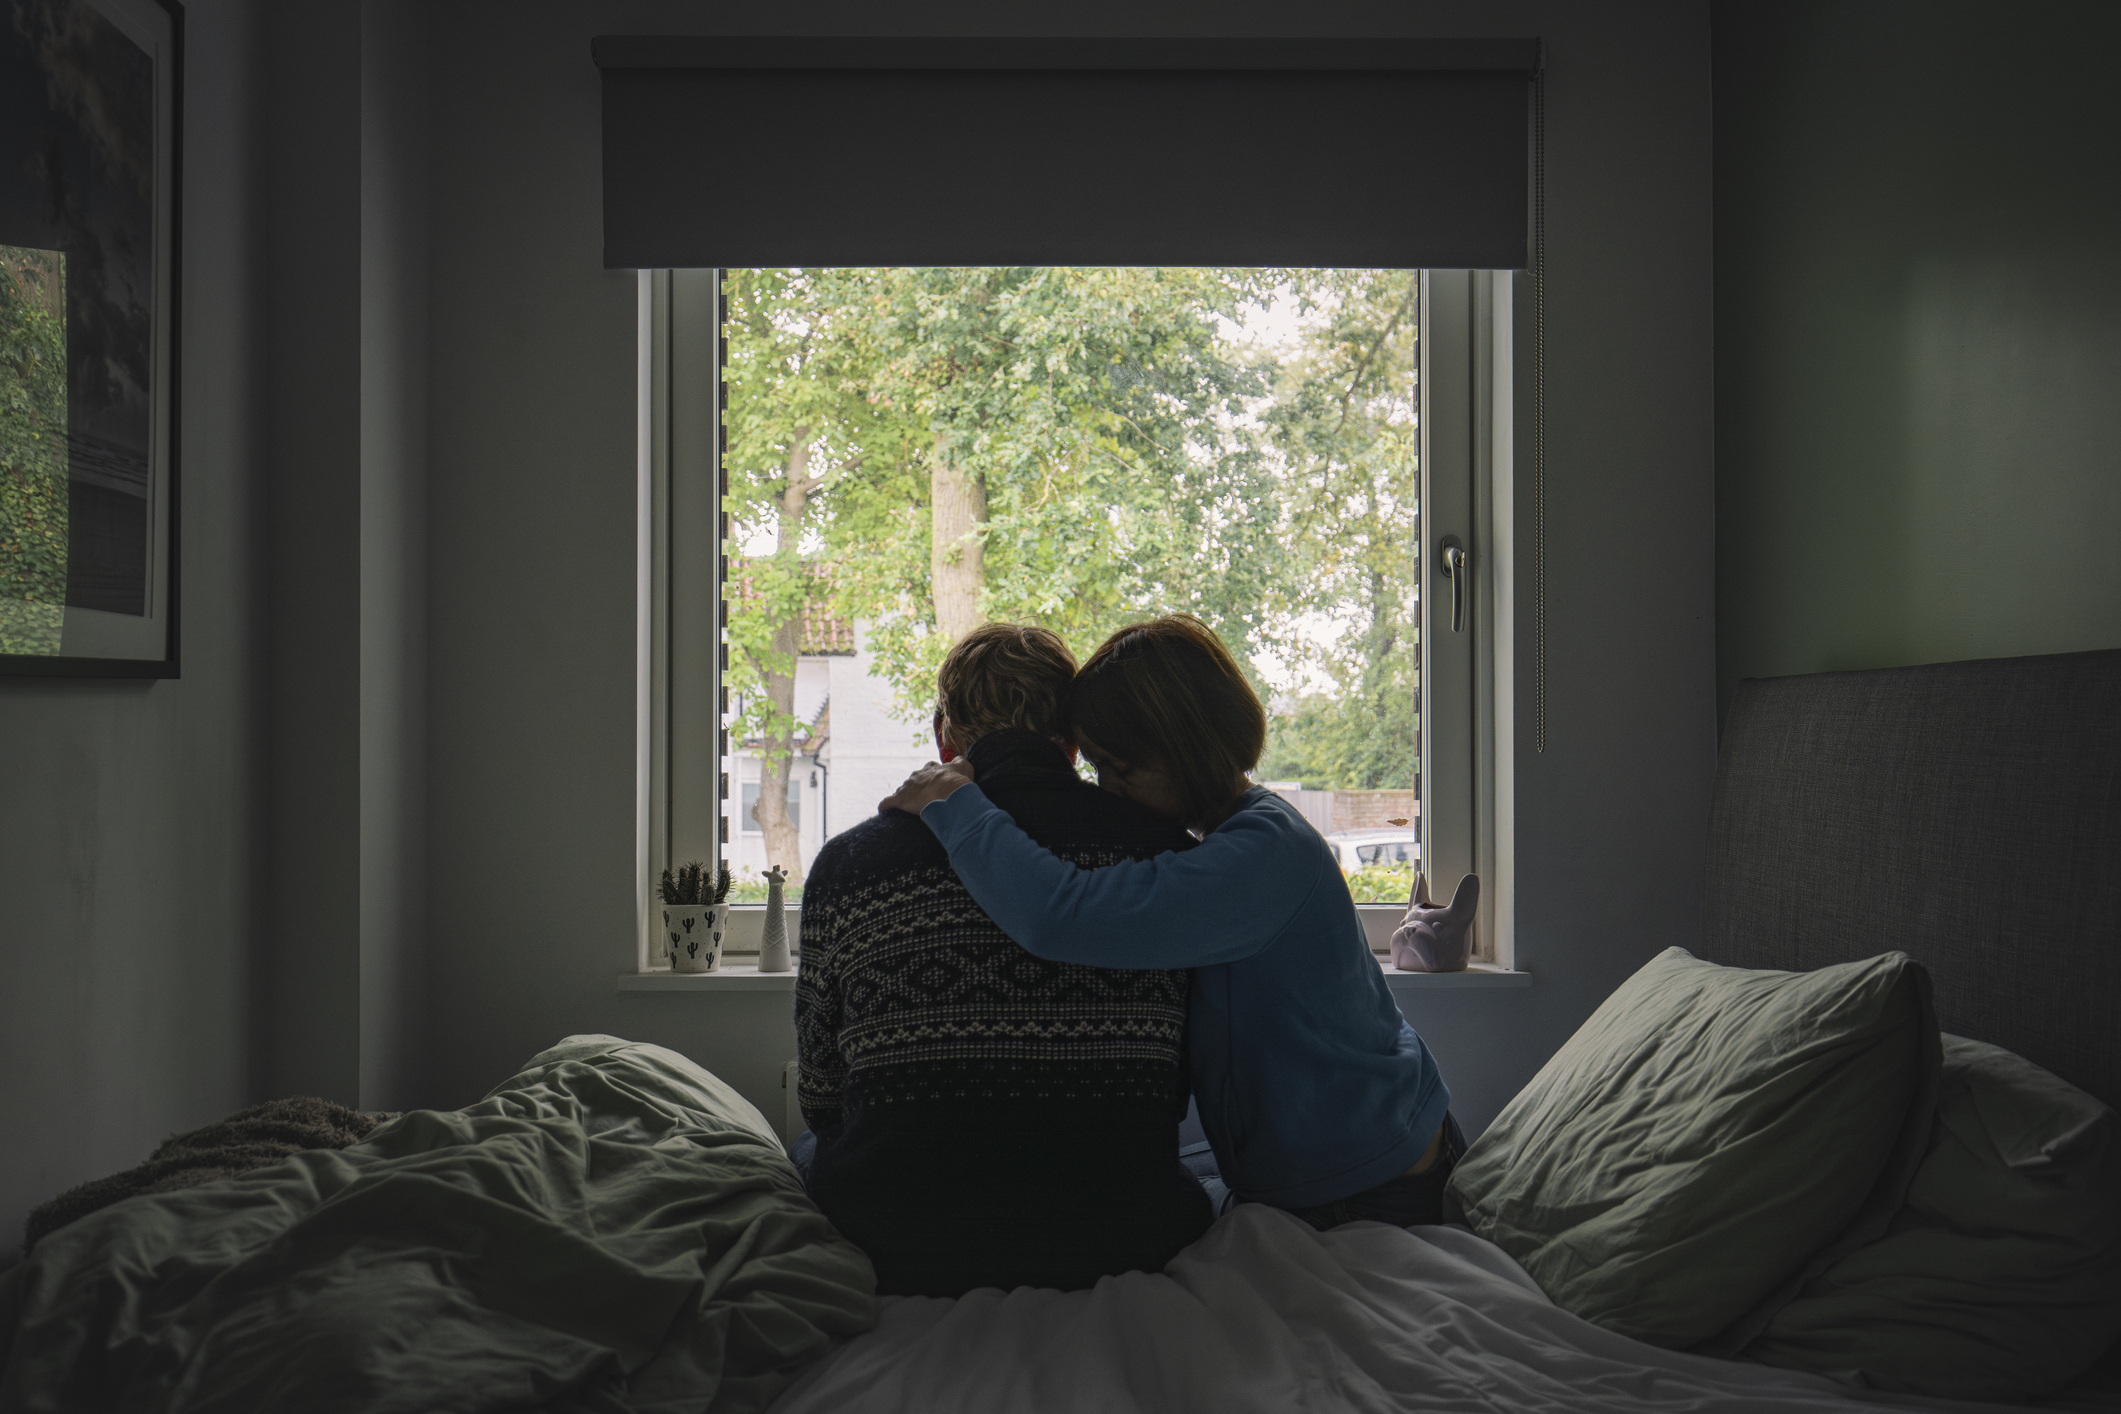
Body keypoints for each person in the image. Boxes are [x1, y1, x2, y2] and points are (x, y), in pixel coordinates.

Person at [881, 613, 1465, 1231]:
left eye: (1119, 768)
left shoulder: (1263, 855)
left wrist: (956, 803)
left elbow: (1060, 914)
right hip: (1326, 1161)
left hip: (1373, 1178)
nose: (1104, 790)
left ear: (1188, 752)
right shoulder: (1231, 839)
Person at [793, 623, 1212, 1297]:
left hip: (897, 1240)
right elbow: (1186, 1076)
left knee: (806, 1154)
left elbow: (819, 1095)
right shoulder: (1164, 852)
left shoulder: (848, 864)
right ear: (1073, 741)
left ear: (944, 738)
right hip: (1122, 1233)